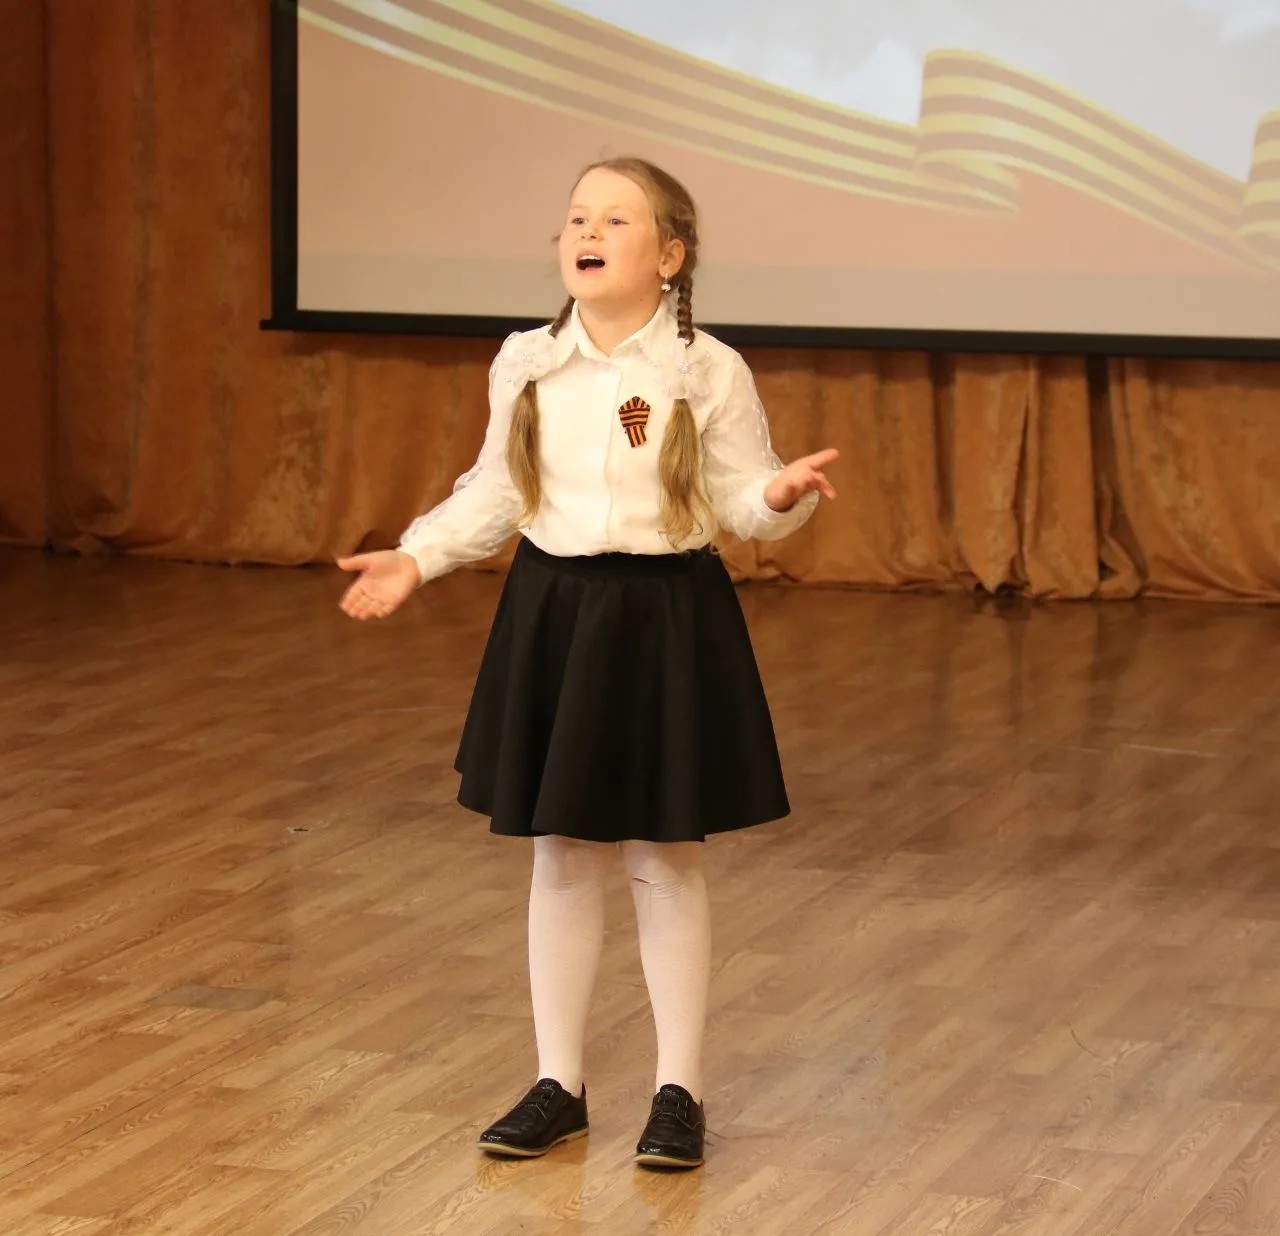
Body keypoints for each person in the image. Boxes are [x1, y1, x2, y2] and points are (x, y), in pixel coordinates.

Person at [337, 157, 837, 1169]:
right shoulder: (527, 360)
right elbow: (495, 490)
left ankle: (678, 1092)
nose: (587, 233)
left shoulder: (706, 368)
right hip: (555, 612)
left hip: (665, 617)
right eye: (576, 218)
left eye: (615, 219)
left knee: (663, 854)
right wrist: (417, 556)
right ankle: (556, 1084)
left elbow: (741, 497)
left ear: (669, 256)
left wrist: (778, 500)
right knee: (560, 850)